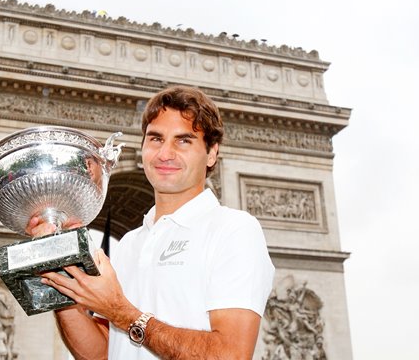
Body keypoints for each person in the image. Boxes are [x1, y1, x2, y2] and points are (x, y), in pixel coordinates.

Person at [30, 85, 275, 359]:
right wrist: (61, 277)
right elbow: (100, 354)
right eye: (156, 139)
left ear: (211, 153)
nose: (165, 153)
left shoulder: (234, 230)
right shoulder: (130, 244)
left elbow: (231, 355)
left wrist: (123, 313)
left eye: (184, 140)